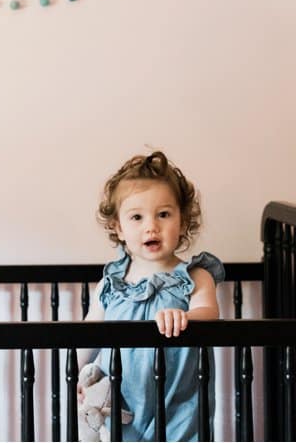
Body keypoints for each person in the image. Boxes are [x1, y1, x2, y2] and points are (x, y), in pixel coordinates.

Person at [79, 151, 225, 441]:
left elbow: (209, 312)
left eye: (164, 214)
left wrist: (185, 315)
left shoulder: (196, 276)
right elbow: (87, 335)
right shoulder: (111, 285)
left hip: (179, 405)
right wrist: (76, 374)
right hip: (122, 402)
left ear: (182, 222)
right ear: (118, 228)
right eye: (136, 217)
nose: (151, 226)